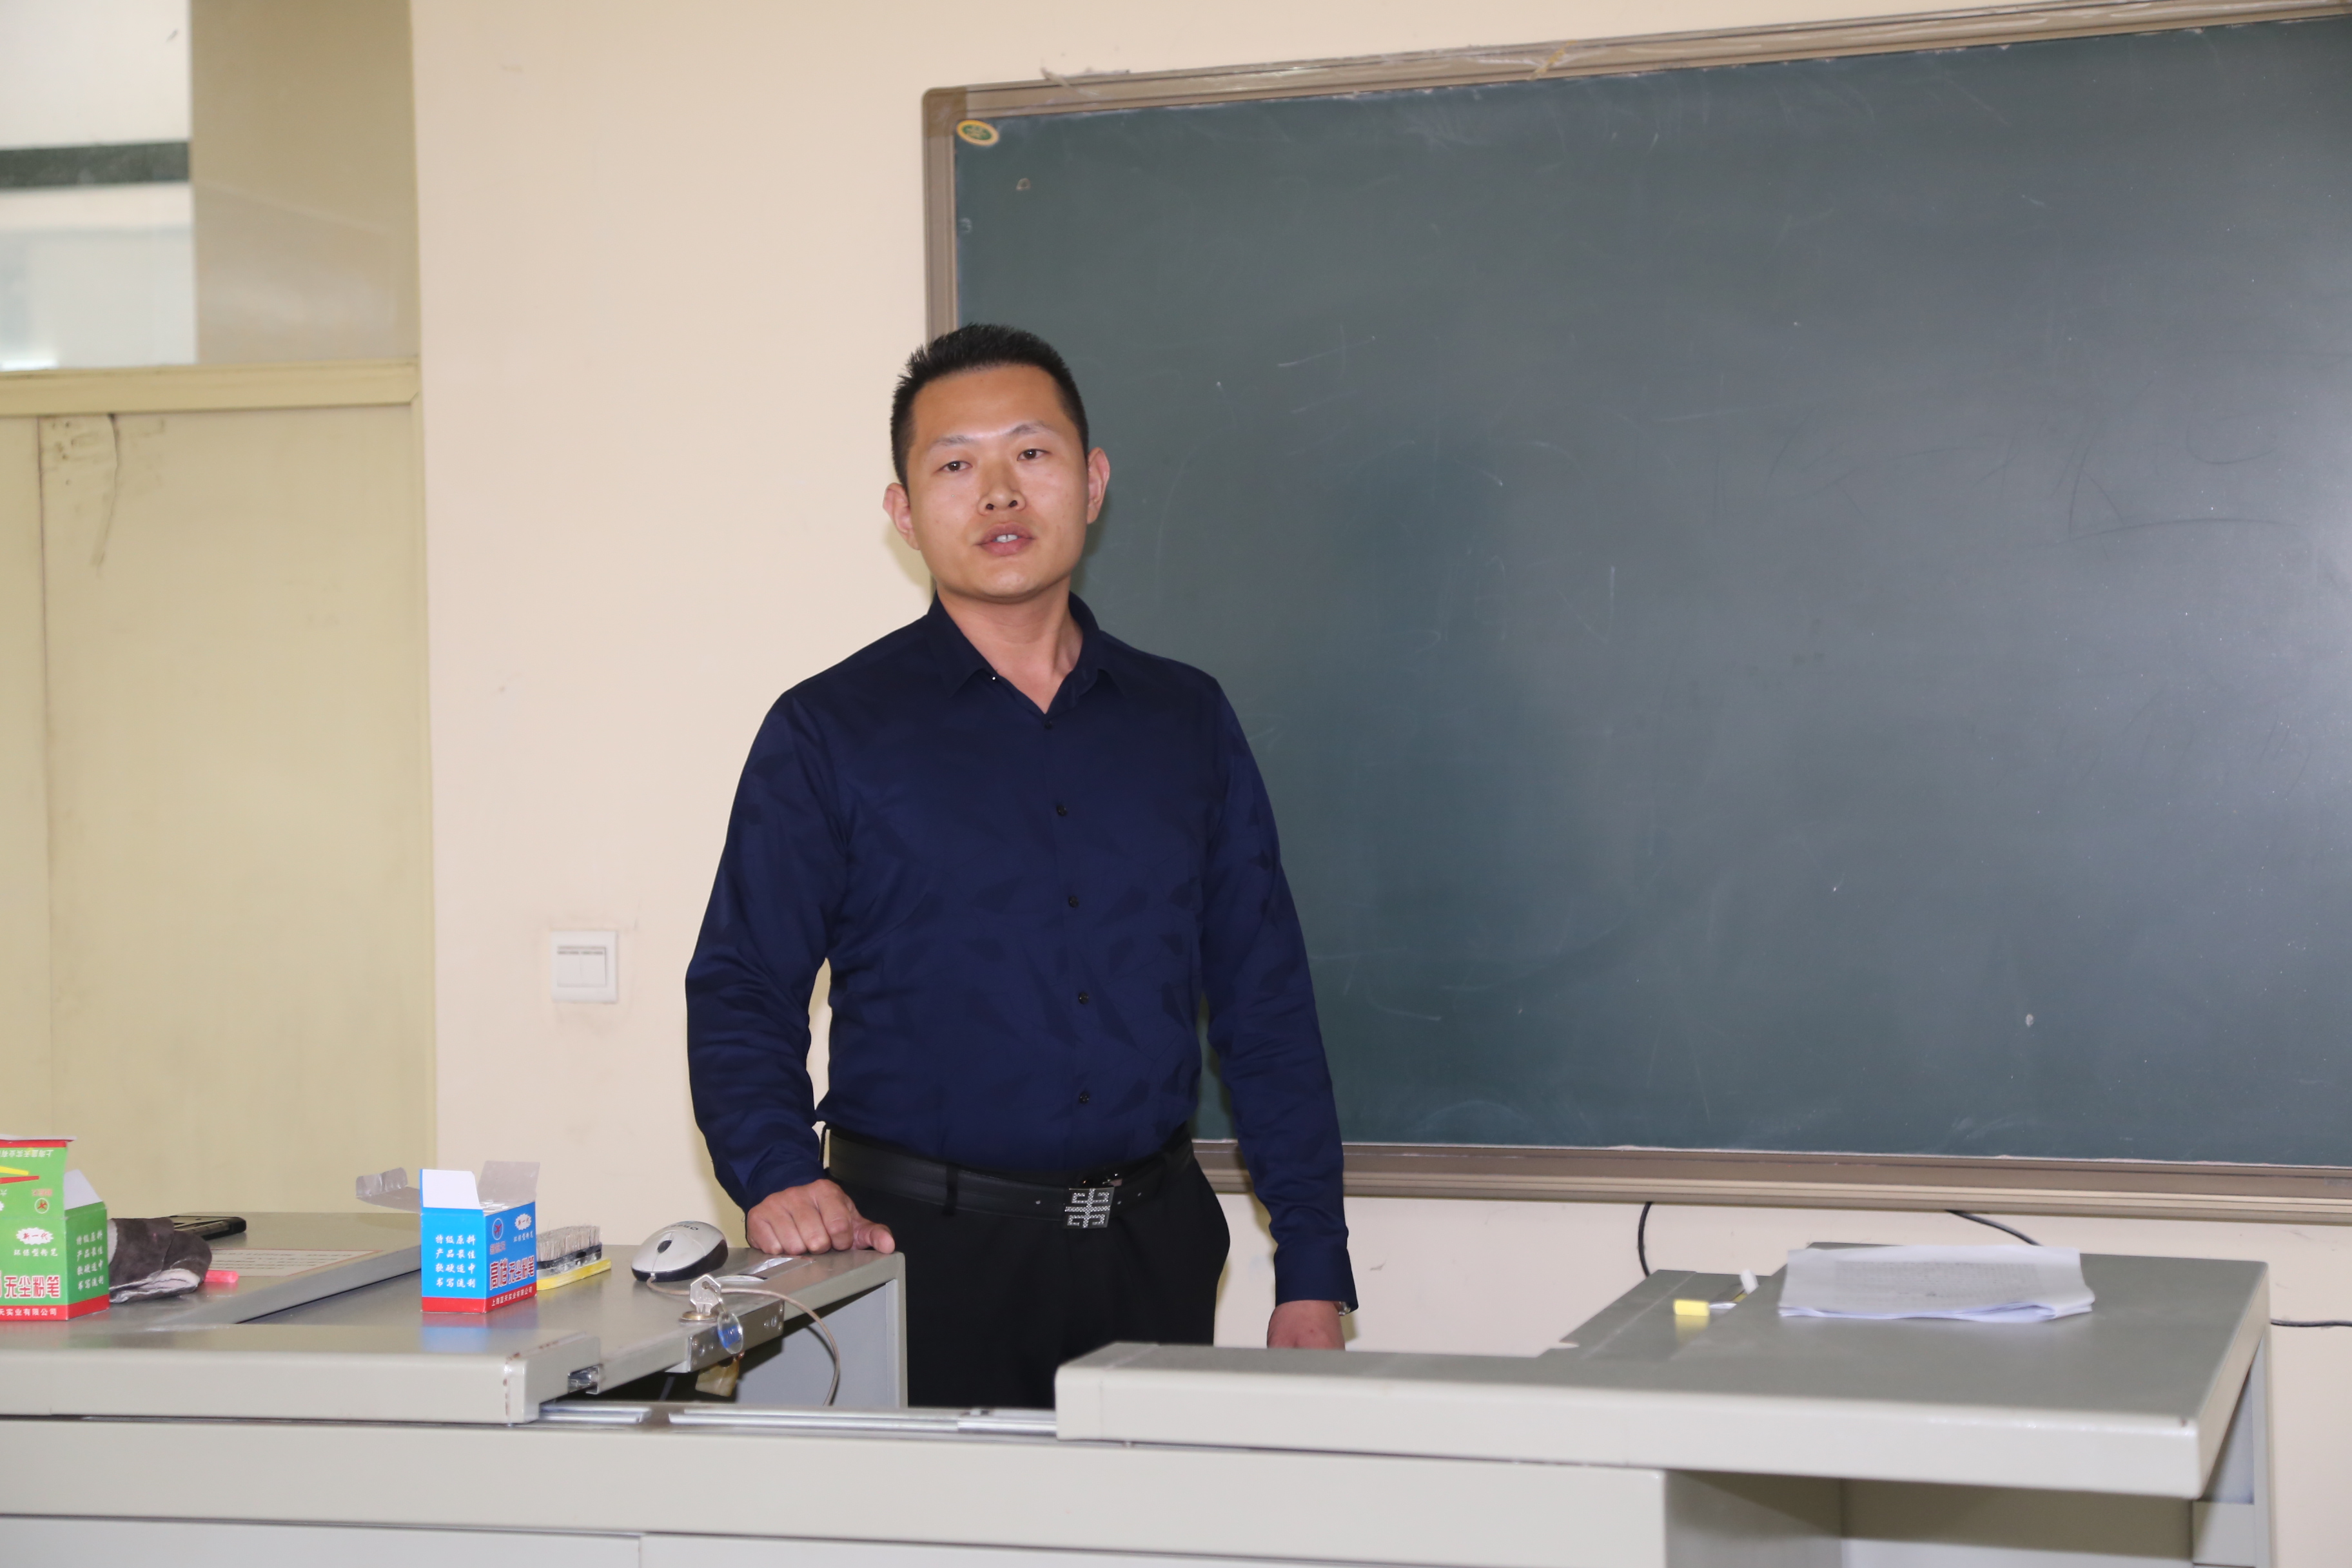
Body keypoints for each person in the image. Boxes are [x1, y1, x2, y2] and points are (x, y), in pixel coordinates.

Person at [686, 323, 1353, 1409]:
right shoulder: (829, 732)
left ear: (1091, 483)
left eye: (1032, 454)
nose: (999, 492)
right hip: (913, 1264)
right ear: (905, 512)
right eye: (956, 465)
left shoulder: (1184, 720)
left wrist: (1313, 1266)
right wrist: (777, 1172)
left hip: (1152, 1255)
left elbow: (1264, 1003)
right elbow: (742, 984)